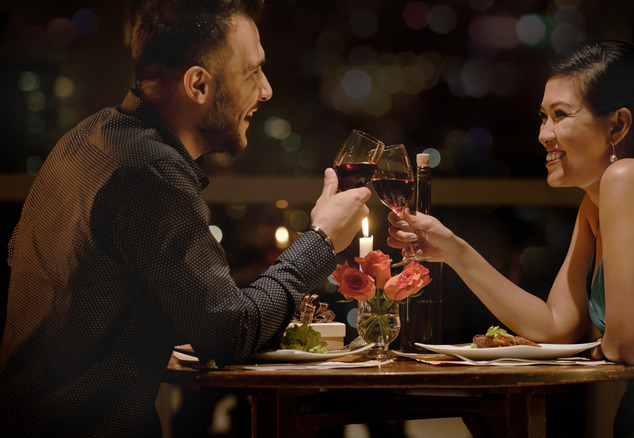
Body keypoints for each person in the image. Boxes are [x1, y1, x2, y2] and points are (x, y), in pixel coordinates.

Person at [0, 0, 371, 436]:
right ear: (198, 84)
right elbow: (231, 331)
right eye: (252, 72)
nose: (266, 90)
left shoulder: (88, 138)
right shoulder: (151, 172)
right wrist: (323, 238)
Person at [388, 40, 634, 437]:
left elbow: (630, 346)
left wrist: (585, 352)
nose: (543, 134)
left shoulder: (630, 179)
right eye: (542, 117)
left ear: (617, 125)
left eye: (560, 115)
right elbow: (555, 325)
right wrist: (453, 250)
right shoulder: (597, 202)